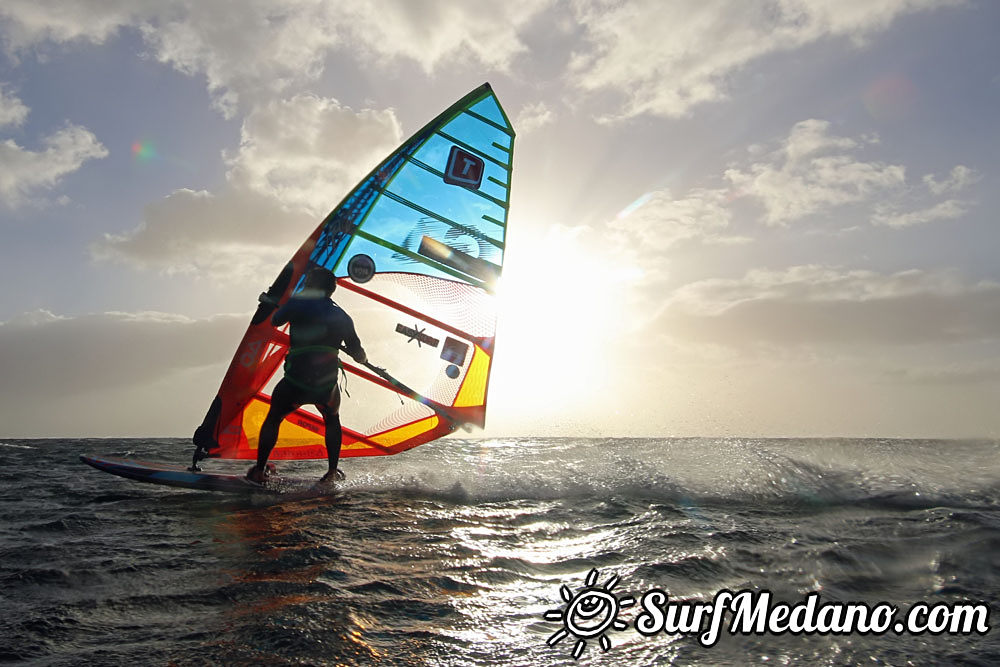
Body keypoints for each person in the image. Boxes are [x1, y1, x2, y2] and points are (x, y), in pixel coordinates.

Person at [247, 267, 367, 484]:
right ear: (331, 290)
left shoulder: (298, 304)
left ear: (312, 285)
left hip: (296, 382)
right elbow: (359, 355)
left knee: (274, 417)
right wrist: (360, 356)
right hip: (325, 387)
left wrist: (288, 304)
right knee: (332, 418)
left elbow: (275, 321)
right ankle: (332, 472)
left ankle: (259, 469)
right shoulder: (342, 316)